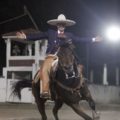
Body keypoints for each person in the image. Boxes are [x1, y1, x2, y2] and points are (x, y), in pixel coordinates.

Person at [16, 14, 101, 98]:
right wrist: (26, 36)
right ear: (57, 25)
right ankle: (45, 91)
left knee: (78, 66)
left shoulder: (70, 35)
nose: (61, 26)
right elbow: (38, 36)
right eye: (60, 24)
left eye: (63, 24)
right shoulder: (50, 32)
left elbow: (80, 39)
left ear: (65, 26)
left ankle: (79, 86)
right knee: (45, 69)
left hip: (64, 56)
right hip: (51, 56)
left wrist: (93, 39)